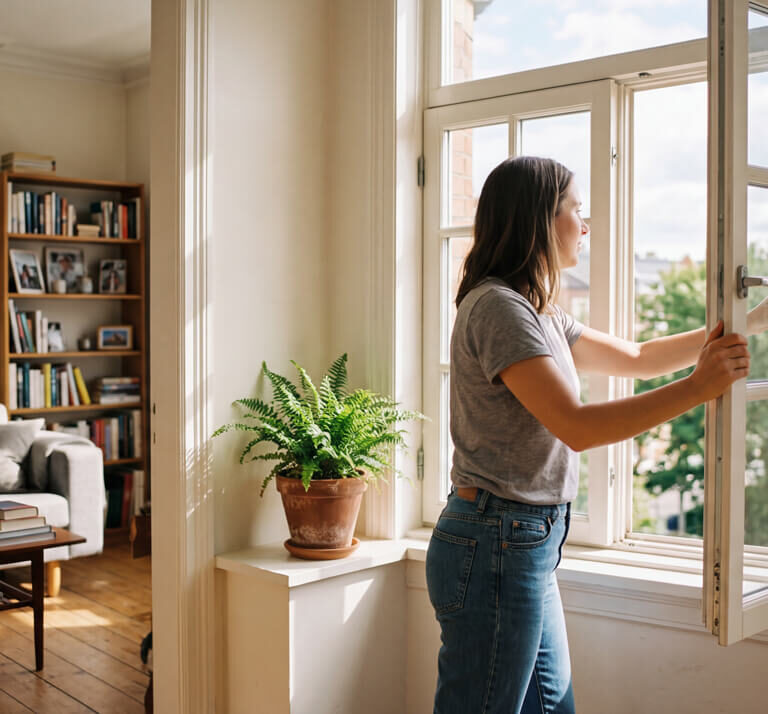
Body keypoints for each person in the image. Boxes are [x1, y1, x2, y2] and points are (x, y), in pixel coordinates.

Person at [425, 156, 765, 714]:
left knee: (553, 707)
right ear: (538, 219)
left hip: (523, 541)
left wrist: (749, 320)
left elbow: (638, 356)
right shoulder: (499, 309)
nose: (585, 225)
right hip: (496, 540)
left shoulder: (541, 313)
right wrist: (700, 388)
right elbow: (577, 428)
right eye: (575, 210)